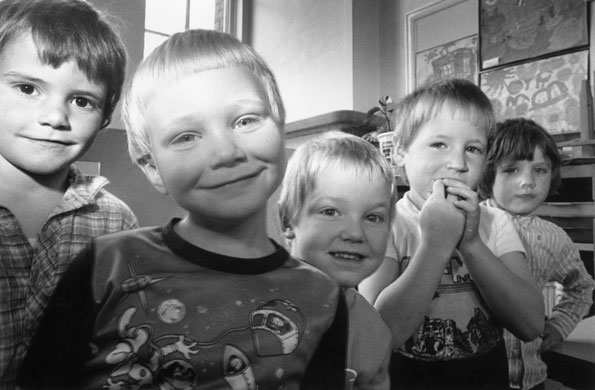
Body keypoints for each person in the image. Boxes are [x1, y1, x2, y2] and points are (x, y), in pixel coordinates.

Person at [18, 29, 347, 389]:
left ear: (281, 125)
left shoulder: (322, 297)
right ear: (152, 168)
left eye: (246, 120)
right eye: (186, 136)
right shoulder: (105, 265)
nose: (227, 152)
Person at [359, 79, 544, 389]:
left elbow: (530, 324)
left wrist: (472, 244)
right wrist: (434, 245)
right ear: (401, 153)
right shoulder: (386, 223)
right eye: (439, 144)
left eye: (473, 149)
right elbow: (379, 335)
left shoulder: (495, 221)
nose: (458, 163)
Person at [0, 0, 138, 387]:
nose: (55, 117)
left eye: (82, 101)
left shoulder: (116, 221)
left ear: (106, 116)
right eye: (28, 88)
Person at [478, 118, 595, 390]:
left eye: (539, 169)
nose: (528, 181)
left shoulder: (553, 237)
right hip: (474, 378)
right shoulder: (469, 226)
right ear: (487, 174)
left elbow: (582, 286)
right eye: (512, 170)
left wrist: (558, 326)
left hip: (531, 378)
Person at [278, 131, 394, 390]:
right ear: (288, 221)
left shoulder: (372, 331)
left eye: (372, 217)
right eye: (331, 212)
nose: (354, 233)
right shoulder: (249, 304)